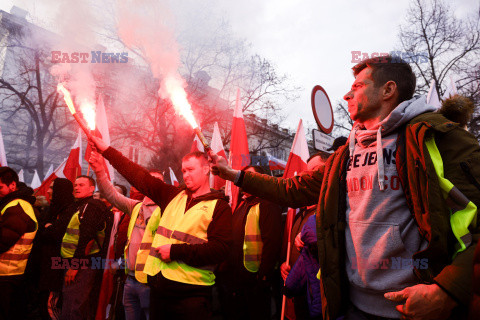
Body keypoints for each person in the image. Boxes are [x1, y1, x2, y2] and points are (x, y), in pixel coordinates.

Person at [211, 55, 480, 319]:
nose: (347, 96)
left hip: (414, 309)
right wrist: (234, 175)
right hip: (348, 307)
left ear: (388, 90)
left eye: (358, 87)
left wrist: (448, 290)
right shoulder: (344, 156)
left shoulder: (439, 138)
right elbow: (291, 190)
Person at [88, 137, 232, 320]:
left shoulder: (219, 207)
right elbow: (138, 176)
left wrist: (175, 251)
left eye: (191, 170)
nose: (186, 175)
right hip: (160, 289)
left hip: (193, 294)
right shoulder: (172, 196)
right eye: (183, 171)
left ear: (206, 170)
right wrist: (107, 150)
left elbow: (220, 250)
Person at [89, 150, 163, 320]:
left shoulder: (167, 209)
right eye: (149, 180)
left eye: (158, 181)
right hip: (130, 278)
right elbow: (110, 194)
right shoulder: (135, 207)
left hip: (151, 281)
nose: (153, 184)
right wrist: (100, 170)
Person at [218, 165, 282, 320]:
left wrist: (263, 277)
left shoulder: (267, 204)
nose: (245, 182)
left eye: (250, 177)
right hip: (238, 280)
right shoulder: (243, 203)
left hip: (256, 282)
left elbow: (271, 243)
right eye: (243, 177)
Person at [280, 151, 330, 319]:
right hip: (301, 291)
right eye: (308, 172)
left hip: (319, 294)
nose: (311, 176)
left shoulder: (328, 211)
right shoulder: (301, 212)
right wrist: (286, 265)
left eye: (316, 170)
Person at [60, 175, 110, 320]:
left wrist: (75, 265)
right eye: (75, 185)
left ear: (92, 189)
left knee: (73, 307)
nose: (76, 188)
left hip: (81, 265)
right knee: (74, 304)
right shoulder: (82, 206)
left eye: (81, 185)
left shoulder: (92, 206)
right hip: (75, 263)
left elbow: (87, 238)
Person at [0, 167, 38, 320]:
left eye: (0, 187)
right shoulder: (11, 205)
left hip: (7, 275)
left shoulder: (17, 207)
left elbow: (3, 241)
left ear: (13, 186)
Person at [38, 178, 75, 320]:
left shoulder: (70, 210)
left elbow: (54, 233)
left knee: (51, 308)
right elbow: (41, 231)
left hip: (56, 269)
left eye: (52, 188)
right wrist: (47, 228)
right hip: (44, 268)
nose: (48, 191)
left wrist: (49, 228)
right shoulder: (50, 210)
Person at [285, 213, 322, 319]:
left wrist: (290, 285)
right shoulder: (299, 216)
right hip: (301, 293)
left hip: (313, 292)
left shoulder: (316, 216)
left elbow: (305, 257)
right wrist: (284, 263)